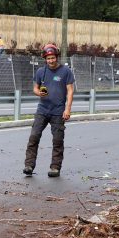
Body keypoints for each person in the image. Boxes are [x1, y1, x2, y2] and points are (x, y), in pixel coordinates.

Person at [23, 43, 75, 177]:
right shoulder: (41, 71)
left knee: (57, 140)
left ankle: (55, 167)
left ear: (56, 57)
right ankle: (29, 165)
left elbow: (70, 91)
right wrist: (38, 93)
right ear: (45, 59)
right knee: (34, 137)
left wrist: (67, 109)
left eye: (53, 58)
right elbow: (35, 88)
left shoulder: (66, 71)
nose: (51, 61)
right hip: (42, 109)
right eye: (48, 58)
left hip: (58, 111)